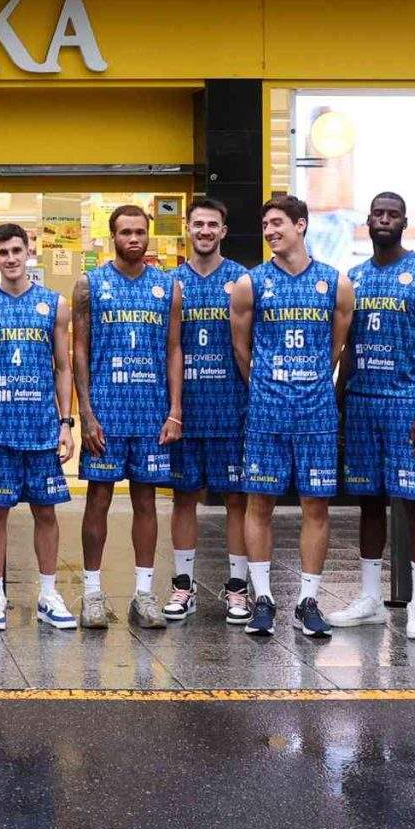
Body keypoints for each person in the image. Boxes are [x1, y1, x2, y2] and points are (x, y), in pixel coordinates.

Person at [229, 193, 355, 640]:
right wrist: (267, 383)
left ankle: (308, 601)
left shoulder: (335, 282)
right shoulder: (250, 284)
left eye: (278, 222)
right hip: (266, 408)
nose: (269, 231)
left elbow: (336, 346)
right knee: (258, 502)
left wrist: (311, 379)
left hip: (317, 410)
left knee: (315, 505)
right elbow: (242, 351)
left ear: (301, 225)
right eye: (265, 225)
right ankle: (263, 598)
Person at [337, 191, 415, 641]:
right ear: (368, 221)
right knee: (367, 502)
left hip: (406, 401)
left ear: (405, 221)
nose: (384, 220)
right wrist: (338, 400)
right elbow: (345, 347)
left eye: (393, 214)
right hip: (362, 400)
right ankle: (368, 599)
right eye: (378, 213)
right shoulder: (353, 277)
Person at [73, 205, 180, 632]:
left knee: (146, 501)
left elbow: (174, 349)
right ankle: (92, 593)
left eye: (140, 232)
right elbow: (78, 350)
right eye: (125, 232)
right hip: (106, 410)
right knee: (98, 498)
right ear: (112, 235)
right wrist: (85, 411)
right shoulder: (91, 284)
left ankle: (144, 594)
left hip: (152, 412)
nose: (134, 239)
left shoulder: (167, 286)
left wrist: (175, 410)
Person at [0, 224, 79, 634]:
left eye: (17, 250)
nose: (11, 258)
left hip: (41, 427)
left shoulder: (54, 304)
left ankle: (48, 593)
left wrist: (66, 424)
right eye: (3, 252)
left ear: (28, 252)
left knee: (46, 511)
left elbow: (63, 366)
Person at [165, 196, 252, 622]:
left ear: (223, 231)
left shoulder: (243, 279)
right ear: (187, 228)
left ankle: (237, 587)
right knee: (184, 498)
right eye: (197, 224)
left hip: (231, 406)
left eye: (211, 225)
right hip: (187, 408)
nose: (204, 231)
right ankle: (183, 586)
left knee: (237, 499)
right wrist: (173, 408)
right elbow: (170, 349)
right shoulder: (170, 282)